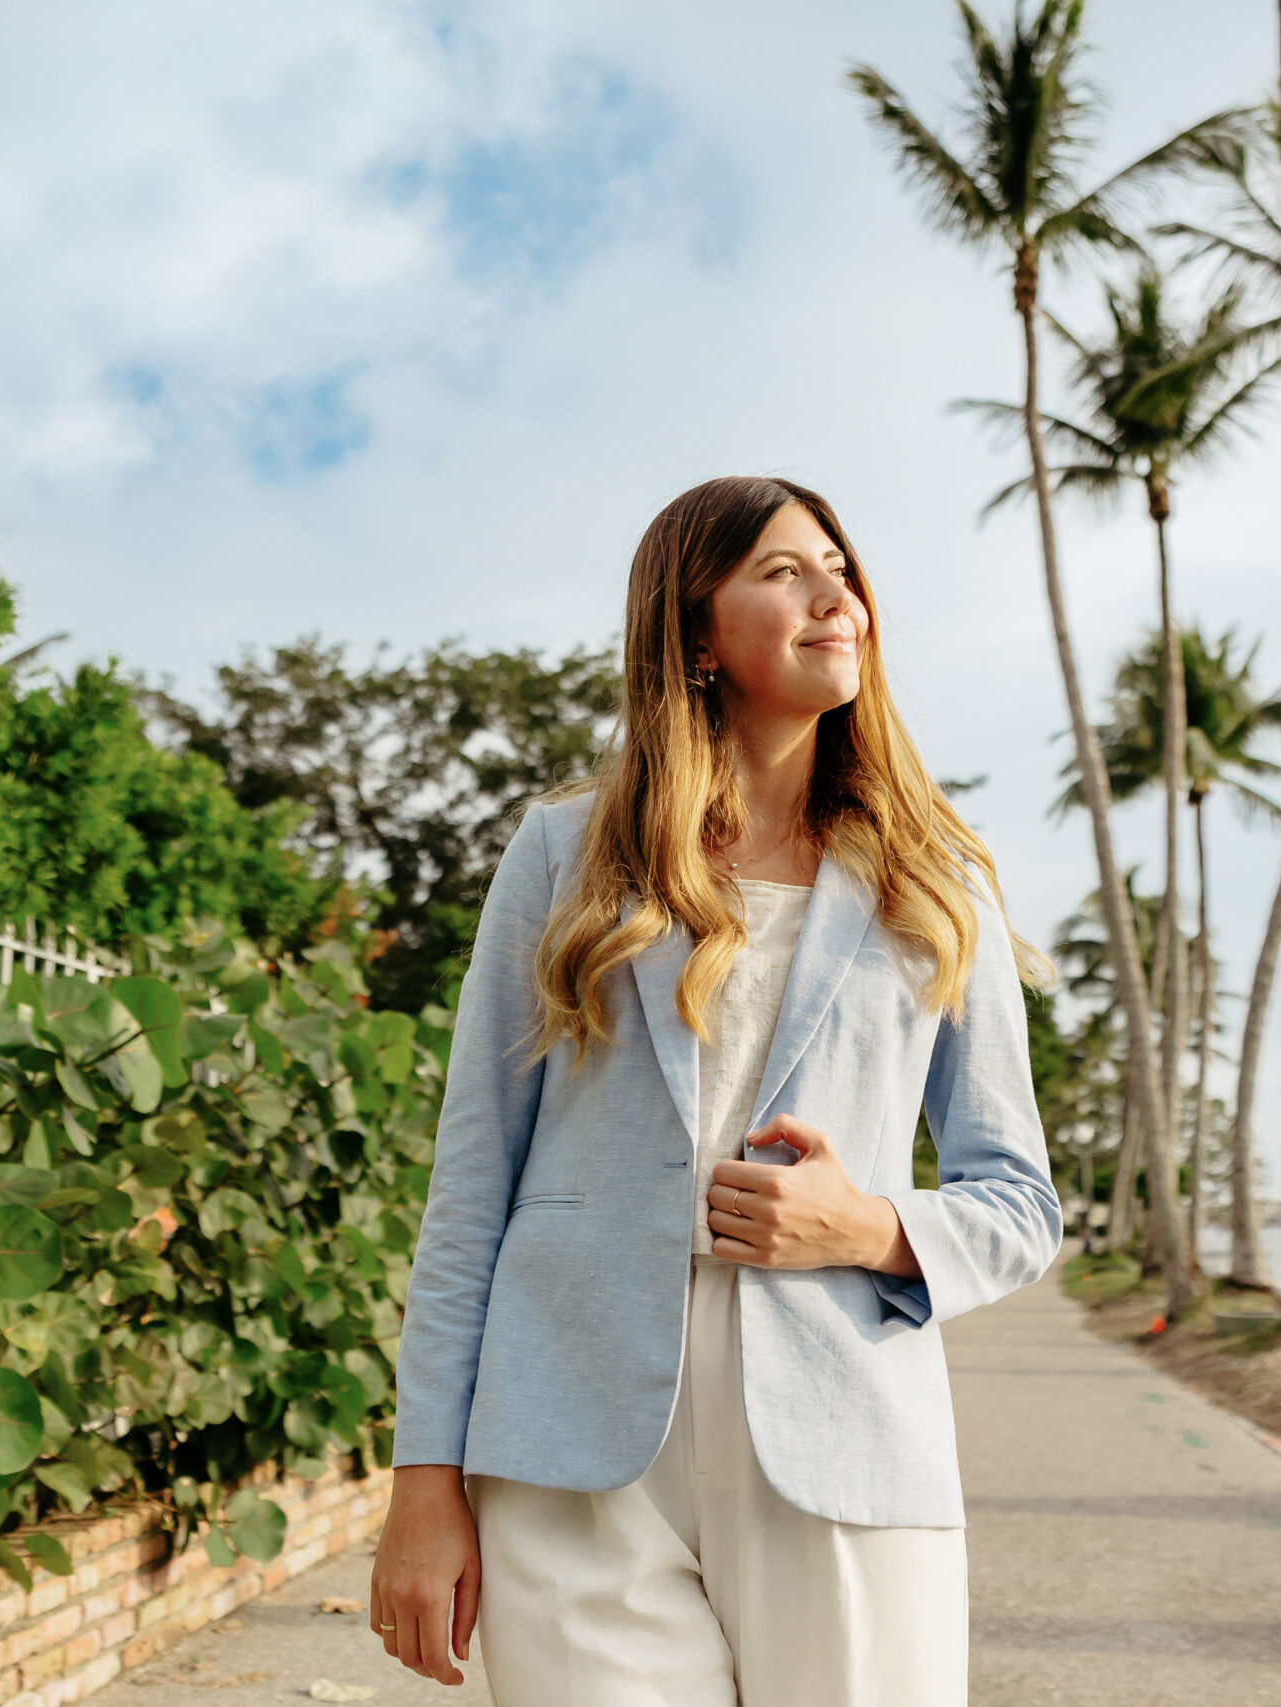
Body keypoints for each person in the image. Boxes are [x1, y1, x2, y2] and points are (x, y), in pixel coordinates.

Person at [368, 475, 1063, 1705]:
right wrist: (424, 1486)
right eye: (783, 571)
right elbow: (472, 1186)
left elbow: (1019, 1202)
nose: (835, 593)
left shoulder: (935, 880)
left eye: (840, 568)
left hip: (844, 1419)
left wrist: (873, 1226)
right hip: (572, 1441)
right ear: (693, 634)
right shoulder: (564, 855)